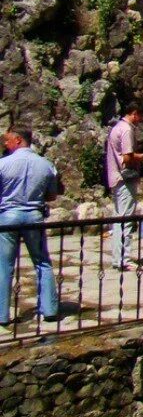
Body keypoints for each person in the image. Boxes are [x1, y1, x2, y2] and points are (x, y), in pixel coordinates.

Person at [0, 127, 61, 326]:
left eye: (7, 140)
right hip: (34, 216)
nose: (5, 144)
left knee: (4, 265)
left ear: (18, 140)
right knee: (42, 261)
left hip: (8, 216)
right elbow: (52, 196)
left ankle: (2, 314)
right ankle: (50, 309)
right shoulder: (46, 165)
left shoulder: (3, 164)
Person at [104, 100, 143, 271]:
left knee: (118, 219)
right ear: (135, 113)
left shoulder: (116, 128)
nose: (141, 119)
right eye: (141, 116)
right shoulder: (127, 129)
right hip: (124, 177)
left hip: (115, 177)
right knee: (126, 219)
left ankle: (118, 257)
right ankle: (124, 258)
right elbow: (128, 157)